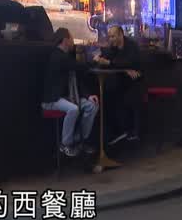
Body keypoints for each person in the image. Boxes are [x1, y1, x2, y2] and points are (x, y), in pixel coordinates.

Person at [42, 28, 99, 157]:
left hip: (67, 97)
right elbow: (79, 67)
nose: (73, 41)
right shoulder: (57, 56)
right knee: (73, 109)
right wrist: (94, 60)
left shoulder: (65, 57)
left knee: (92, 106)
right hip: (53, 100)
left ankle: (80, 139)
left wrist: (88, 96)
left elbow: (77, 80)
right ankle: (65, 144)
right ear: (65, 40)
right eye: (71, 38)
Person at [93, 25, 143, 145]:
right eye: (109, 37)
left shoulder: (131, 46)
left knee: (122, 96)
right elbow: (108, 59)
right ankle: (113, 133)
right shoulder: (113, 47)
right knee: (107, 93)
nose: (111, 39)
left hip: (136, 82)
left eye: (113, 36)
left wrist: (112, 64)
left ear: (121, 35)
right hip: (121, 81)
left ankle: (130, 132)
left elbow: (129, 63)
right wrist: (99, 58)